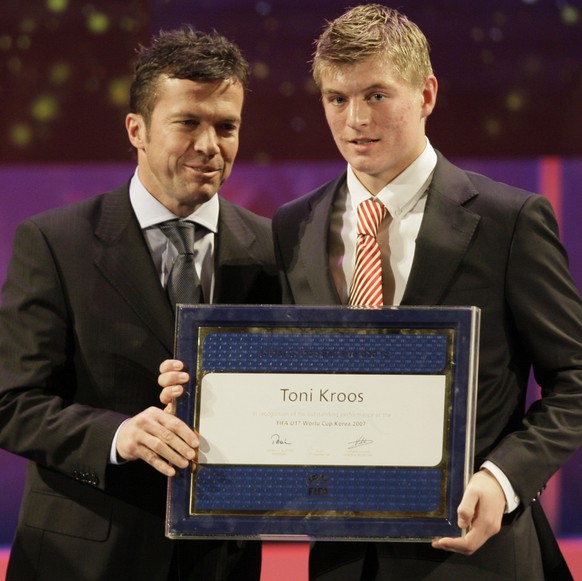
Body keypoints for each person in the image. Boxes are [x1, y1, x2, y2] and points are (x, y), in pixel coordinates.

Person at [160, 5, 582, 580]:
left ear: (426, 93)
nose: (355, 118)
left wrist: (503, 479)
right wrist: (203, 388)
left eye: (377, 95)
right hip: (342, 559)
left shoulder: (509, 220)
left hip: (476, 552)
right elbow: (286, 377)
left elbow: (575, 379)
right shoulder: (294, 225)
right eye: (337, 99)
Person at [0, 26, 280, 581]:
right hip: (82, 560)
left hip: (222, 561)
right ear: (137, 130)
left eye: (226, 127)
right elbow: (12, 402)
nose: (209, 145)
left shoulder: (275, 250)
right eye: (188, 123)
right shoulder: (56, 243)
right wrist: (118, 435)